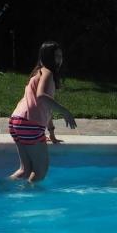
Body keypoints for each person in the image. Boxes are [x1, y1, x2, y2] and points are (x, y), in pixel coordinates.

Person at [8, 41, 77, 182]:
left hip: (17, 120)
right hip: (29, 123)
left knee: (25, 170)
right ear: (47, 57)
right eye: (56, 56)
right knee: (40, 171)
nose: (59, 60)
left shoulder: (37, 73)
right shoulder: (47, 73)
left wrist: (51, 133)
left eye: (60, 56)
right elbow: (41, 96)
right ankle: (29, 200)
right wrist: (65, 111)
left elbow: (45, 106)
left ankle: (1, 188)